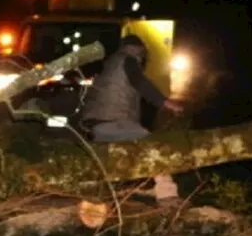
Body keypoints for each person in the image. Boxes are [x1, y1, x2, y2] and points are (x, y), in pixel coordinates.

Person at [77, 35, 185, 198]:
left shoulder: (111, 63)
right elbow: (142, 84)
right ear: (139, 50)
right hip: (113, 120)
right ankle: (167, 194)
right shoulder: (129, 61)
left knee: (107, 161)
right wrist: (167, 103)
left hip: (96, 122)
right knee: (153, 147)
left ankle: (94, 194)